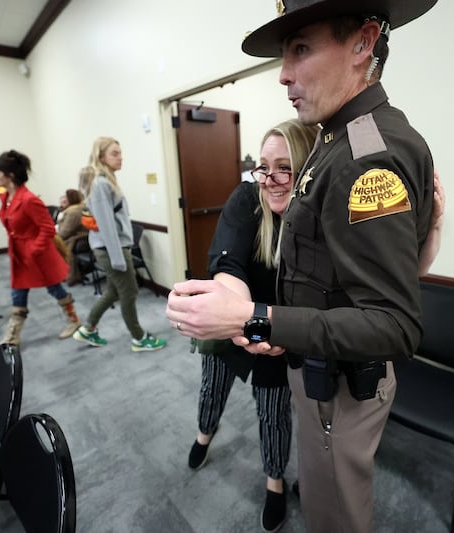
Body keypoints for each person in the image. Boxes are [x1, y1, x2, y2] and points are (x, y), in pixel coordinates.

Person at [166, 1, 438, 531]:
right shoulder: (334, 137)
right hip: (315, 368)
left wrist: (254, 317)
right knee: (318, 495)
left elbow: (395, 325)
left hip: (341, 386)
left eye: (300, 49)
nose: (284, 74)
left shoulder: (367, 155)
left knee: (334, 513)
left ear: (362, 43)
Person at [189, 119, 317, 532]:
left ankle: (274, 482)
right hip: (235, 320)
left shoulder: (315, 215)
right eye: (264, 166)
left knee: (273, 413)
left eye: (284, 166)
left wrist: (264, 332)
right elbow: (227, 263)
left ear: (307, 169)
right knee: (212, 387)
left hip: (276, 334)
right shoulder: (247, 197)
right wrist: (241, 322)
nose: (271, 178)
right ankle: (205, 434)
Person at [72, 137, 166, 352]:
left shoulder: (106, 180)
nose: (120, 157)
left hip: (110, 248)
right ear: (101, 156)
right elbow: (106, 226)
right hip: (111, 249)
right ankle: (139, 338)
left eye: (120, 153)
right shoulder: (101, 183)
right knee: (130, 293)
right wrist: (118, 259)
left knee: (113, 292)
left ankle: (87, 329)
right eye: (114, 153)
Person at [0, 149, 83, 345]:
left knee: (54, 288)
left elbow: (48, 228)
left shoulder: (29, 199)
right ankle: (12, 336)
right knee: (18, 291)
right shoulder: (8, 197)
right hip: (20, 254)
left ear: (11, 175)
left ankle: (73, 320)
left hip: (37, 255)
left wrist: (34, 249)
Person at [57, 187, 89, 286]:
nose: (64, 199)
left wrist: (54, 237)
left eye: (66, 197)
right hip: (81, 237)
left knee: (52, 244)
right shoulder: (75, 209)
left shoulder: (73, 212)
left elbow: (65, 232)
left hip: (78, 239)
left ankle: (68, 275)